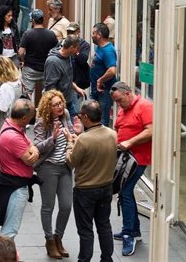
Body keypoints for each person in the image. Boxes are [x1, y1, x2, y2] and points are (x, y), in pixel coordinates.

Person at [66, 100, 117, 262]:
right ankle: (107, 258)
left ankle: (85, 259)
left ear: (86, 117)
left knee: (85, 229)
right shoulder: (112, 134)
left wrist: (70, 143)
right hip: (106, 187)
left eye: (81, 116)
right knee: (104, 225)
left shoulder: (84, 139)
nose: (80, 118)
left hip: (85, 191)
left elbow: (71, 162)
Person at [33, 90, 79, 259]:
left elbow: (71, 134)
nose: (60, 107)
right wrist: (52, 138)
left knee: (66, 205)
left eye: (61, 103)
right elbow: (37, 146)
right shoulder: (42, 122)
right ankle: (49, 240)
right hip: (49, 167)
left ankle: (58, 237)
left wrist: (74, 133)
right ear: (48, 107)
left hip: (65, 166)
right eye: (55, 105)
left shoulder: (65, 115)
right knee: (48, 206)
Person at [110, 82, 153, 256]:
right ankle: (133, 230)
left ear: (128, 94)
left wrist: (130, 142)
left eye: (120, 100)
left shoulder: (145, 106)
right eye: (116, 102)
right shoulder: (124, 107)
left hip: (138, 159)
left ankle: (129, 233)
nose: (119, 105)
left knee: (126, 192)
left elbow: (151, 130)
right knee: (125, 192)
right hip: (125, 158)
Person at [0, 99, 40, 238]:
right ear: (24, 118)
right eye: (31, 117)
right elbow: (29, 161)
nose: (32, 120)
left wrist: (34, 149)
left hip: (10, 183)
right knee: (9, 231)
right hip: (16, 188)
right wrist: (35, 152)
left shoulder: (10, 125)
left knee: (8, 228)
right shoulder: (13, 137)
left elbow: (28, 141)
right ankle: (1, 257)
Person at [18, 9, 57, 105]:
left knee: (27, 95)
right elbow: (56, 51)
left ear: (33, 20)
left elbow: (21, 52)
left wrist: (23, 60)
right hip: (46, 69)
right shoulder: (51, 34)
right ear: (43, 19)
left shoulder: (28, 34)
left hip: (30, 68)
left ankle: (27, 116)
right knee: (47, 95)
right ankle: (44, 115)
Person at [44, 35, 85, 118]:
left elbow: (67, 77)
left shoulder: (68, 57)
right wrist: (57, 106)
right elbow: (50, 87)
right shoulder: (53, 62)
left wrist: (76, 88)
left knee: (74, 124)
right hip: (58, 105)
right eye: (77, 48)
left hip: (68, 101)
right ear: (71, 47)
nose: (78, 52)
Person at [90, 23, 118, 126]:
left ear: (99, 35)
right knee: (91, 117)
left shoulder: (108, 51)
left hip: (104, 91)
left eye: (93, 33)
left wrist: (100, 80)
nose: (91, 35)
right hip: (96, 90)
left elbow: (112, 71)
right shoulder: (100, 47)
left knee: (102, 121)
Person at [0, 57, 23, 132]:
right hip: (18, 123)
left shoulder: (5, 87)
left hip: (7, 125)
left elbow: (2, 108)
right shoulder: (18, 81)